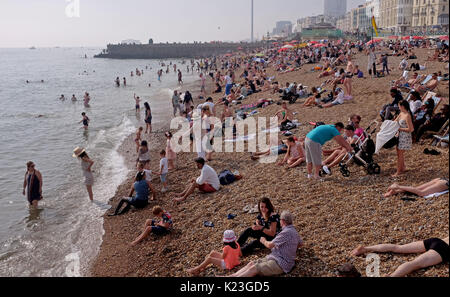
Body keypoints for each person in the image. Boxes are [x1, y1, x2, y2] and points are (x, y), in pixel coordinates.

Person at [228, 211, 302, 277]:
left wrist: (263, 240)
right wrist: (289, 248)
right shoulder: (294, 231)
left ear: (282, 221)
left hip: (281, 264)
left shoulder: (285, 232)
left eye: (280, 220)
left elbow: (269, 245)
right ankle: (232, 275)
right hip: (275, 257)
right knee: (251, 264)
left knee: (254, 268)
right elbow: (300, 244)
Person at [351, 236, 449, 277]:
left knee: (398, 248)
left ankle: (366, 249)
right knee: (415, 264)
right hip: (444, 249)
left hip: (436, 240)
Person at [392, 100, 414, 177]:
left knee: (400, 154)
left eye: (399, 106)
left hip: (405, 136)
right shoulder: (401, 113)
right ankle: (403, 168)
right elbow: (395, 122)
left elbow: (411, 129)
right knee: (398, 153)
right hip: (399, 136)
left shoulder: (407, 115)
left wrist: (399, 129)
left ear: (402, 106)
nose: (398, 107)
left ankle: (398, 172)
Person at [383, 178, 449, 198]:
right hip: (445, 184)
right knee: (421, 193)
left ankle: (396, 191)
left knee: (417, 189)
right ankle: (397, 186)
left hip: (441, 179)